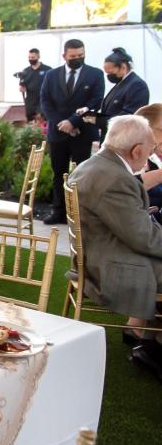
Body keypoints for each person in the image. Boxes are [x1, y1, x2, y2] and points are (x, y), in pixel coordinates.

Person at [67, 115, 162, 375]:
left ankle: (150, 344)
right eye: (152, 149)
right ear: (137, 150)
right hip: (109, 267)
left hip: (99, 256)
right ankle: (151, 348)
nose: (151, 155)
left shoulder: (94, 164)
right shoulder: (114, 178)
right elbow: (144, 238)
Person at [39, 39, 104, 225]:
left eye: (81, 56)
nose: (77, 59)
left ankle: (80, 214)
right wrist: (62, 123)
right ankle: (58, 212)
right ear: (64, 56)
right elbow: (45, 102)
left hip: (82, 132)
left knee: (82, 174)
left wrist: (73, 121)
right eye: (73, 56)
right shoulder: (51, 75)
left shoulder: (95, 74)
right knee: (58, 173)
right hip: (58, 133)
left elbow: (95, 101)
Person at [86, 47, 149, 142]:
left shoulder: (136, 85)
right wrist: (92, 115)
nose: (108, 76)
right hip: (111, 140)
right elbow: (111, 111)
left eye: (111, 72)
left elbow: (128, 117)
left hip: (123, 141)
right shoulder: (120, 84)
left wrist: (97, 120)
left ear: (123, 67)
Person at [17, 48, 51, 122]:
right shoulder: (25, 71)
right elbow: (22, 87)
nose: (31, 59)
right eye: (29, 57)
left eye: (33, 57)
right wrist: (22, 88)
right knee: (30, 122)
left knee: (42, 122)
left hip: (43, 101)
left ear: (38, 57)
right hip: (30, 102)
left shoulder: (48, 70)